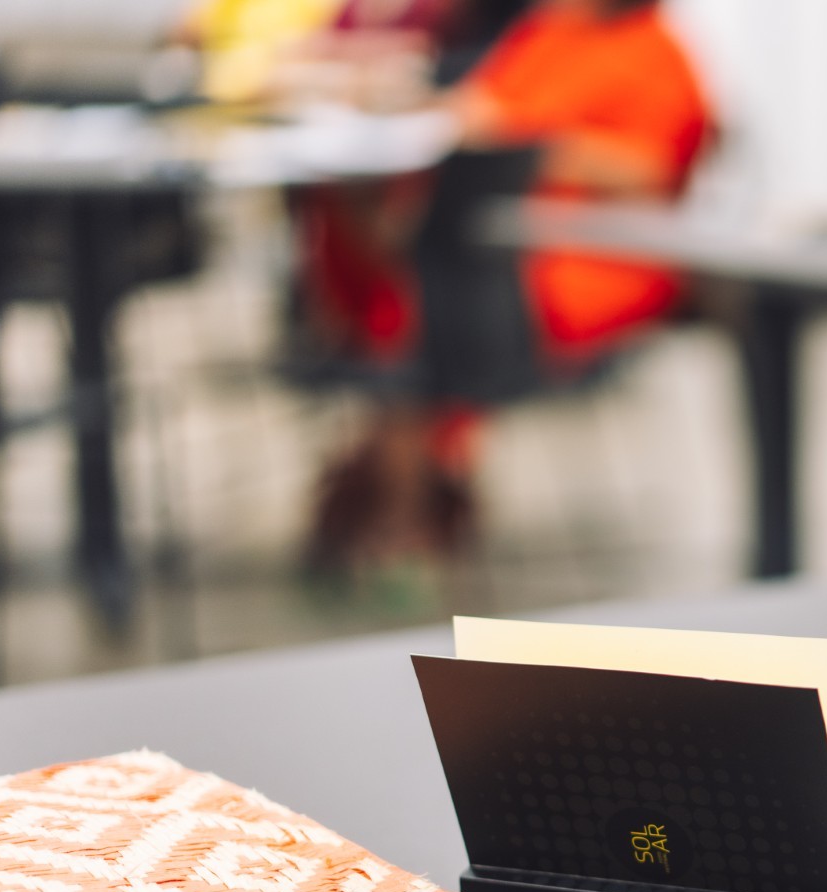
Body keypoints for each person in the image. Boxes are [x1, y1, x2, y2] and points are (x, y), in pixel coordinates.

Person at [297, 0, 712, 577]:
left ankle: (402, 506)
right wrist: (416, 106)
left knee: (424, 306)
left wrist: (528, 151)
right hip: (495, 242)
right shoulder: (551, 28)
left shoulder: (657, 48)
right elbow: (479, 106)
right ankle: (410, 491)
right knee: (386, 259)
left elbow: (650, 173)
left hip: (597, 255)